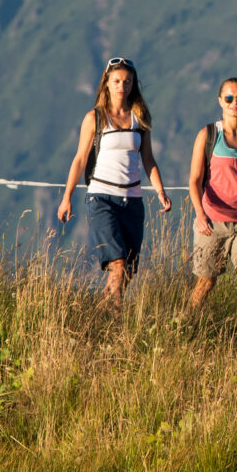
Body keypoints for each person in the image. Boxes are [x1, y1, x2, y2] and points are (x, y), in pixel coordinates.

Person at [55, 56, 171, 303]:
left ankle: (102, 315)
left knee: (127, 271)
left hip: (133, 201)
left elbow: (148, 159)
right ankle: (116, 326)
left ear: (133, 84)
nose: (122, 86)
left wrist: (160, 192)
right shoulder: (95, 118)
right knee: (117, 265)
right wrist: (67, 198)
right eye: (117, 80)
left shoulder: (140, 118)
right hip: (102, 199)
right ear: (106, 82)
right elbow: (79, 159)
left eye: (127, 81)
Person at [189, 76, 237, 320]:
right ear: (220, 101)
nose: (235, 103)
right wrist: (200, 215)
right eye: (229, 98)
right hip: (212, 223)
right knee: (206, 284)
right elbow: (194, 180)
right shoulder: (209, 135)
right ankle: (185, 325)